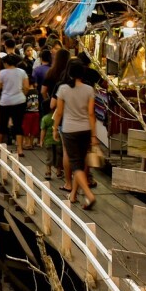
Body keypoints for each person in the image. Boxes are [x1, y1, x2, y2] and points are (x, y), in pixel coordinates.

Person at [53, 62, 97, 210]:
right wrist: (93, 135)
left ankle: (89, 195)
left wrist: (54, 128)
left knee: (76, 164)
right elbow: (91, 114)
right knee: (81, 162)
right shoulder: (89, 90)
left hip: (69, 129)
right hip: (85, 129)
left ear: (69, 73)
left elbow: (59, 112)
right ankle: (73, 194)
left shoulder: (63, 89)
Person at [0, 54, 29, 156]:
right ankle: (20, 149)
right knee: (18, 124)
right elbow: (26, 87)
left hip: (5, 101)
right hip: (19, 101)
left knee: (2, 123)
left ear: (6, 63)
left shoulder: (2, 73)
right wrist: (22, 95)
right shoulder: (22, 72)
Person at [40, 112, 62, 180]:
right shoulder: (60, 116)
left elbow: (43, 130)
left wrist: (41, 140)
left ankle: (48, 172)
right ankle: (58, 172)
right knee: (59, 157)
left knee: (49, 157)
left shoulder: (45, 118)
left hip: (48, 141)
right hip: (58, 141)